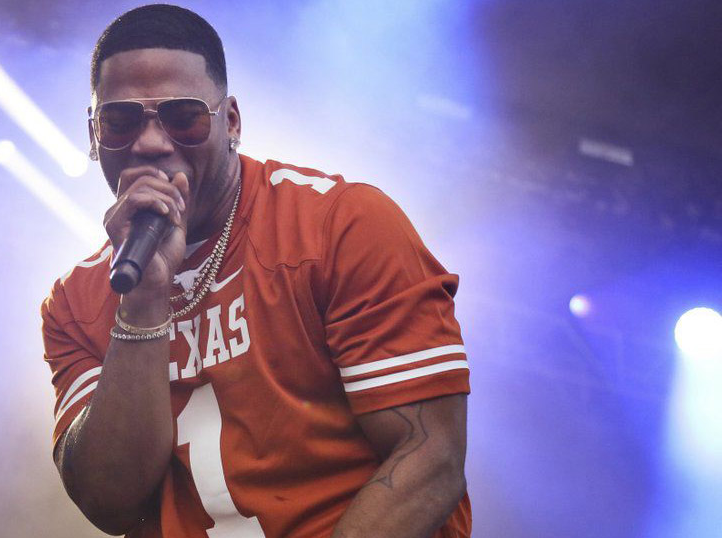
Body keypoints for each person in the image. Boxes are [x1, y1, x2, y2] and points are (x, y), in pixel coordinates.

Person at [41, 4, 471, 537]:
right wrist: (143, 303)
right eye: (120, 121)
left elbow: (430, 458)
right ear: (92, 134)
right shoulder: (77, 301)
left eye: (184, 117)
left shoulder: (340, 225)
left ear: (232, 122)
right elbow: (109, 502)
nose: (150, 143)